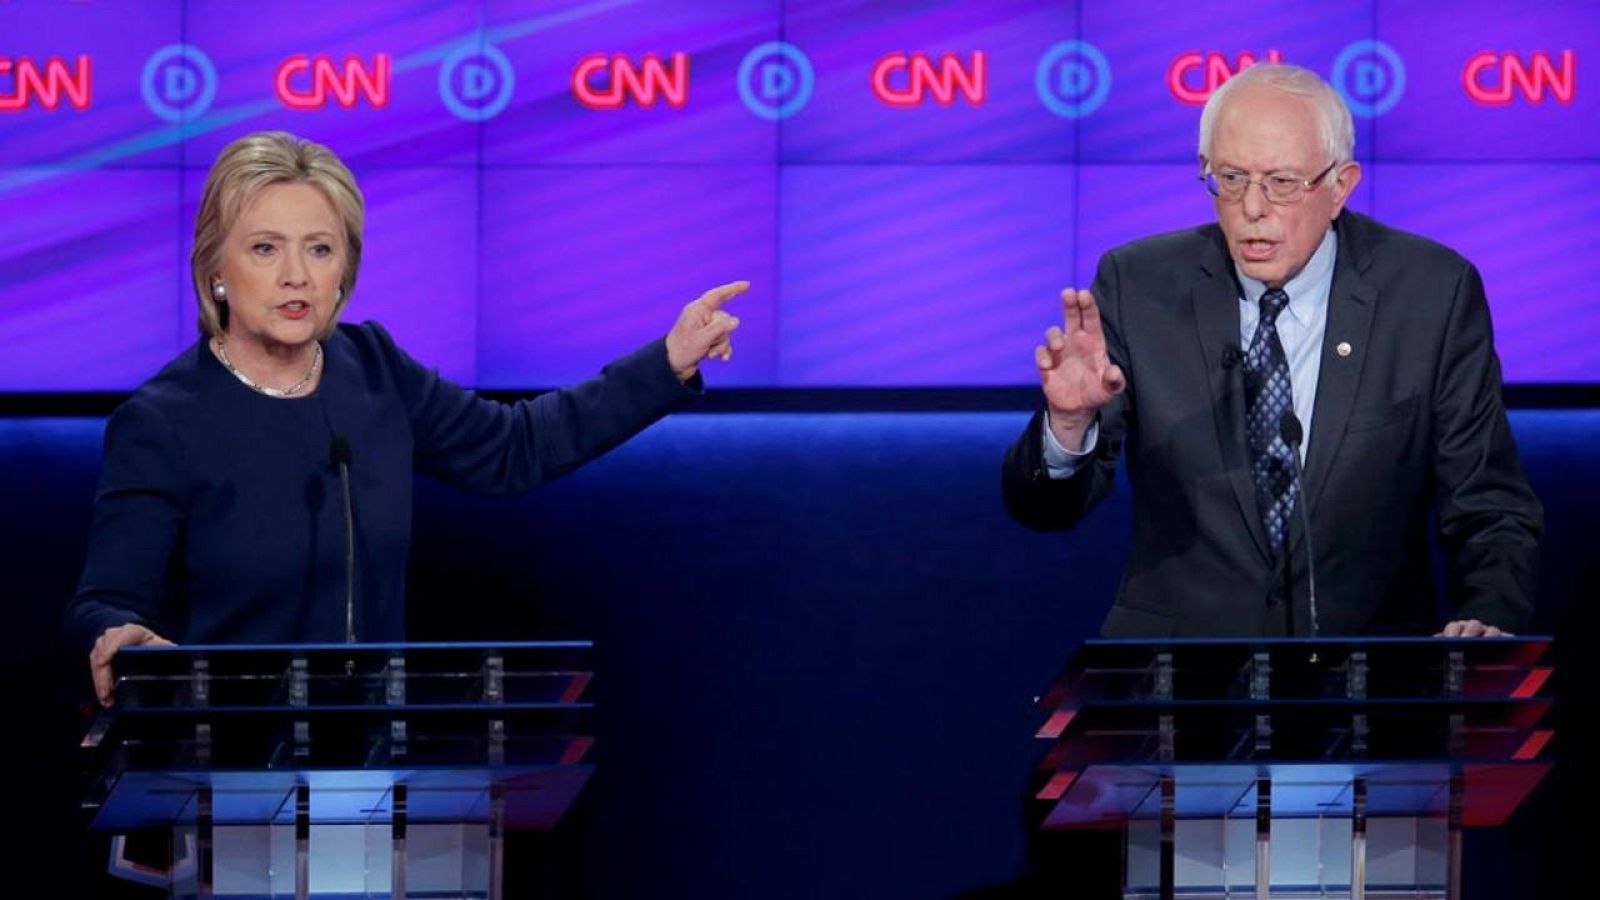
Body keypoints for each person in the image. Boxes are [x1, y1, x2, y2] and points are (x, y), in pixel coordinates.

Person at [65, 131, 747, 705]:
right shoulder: (165, 421)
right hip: (225, 780)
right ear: (218, 269)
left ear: (345, 270)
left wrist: (666, 362)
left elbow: (516, 448)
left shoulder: (374, 370)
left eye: (320, 249)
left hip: (375, 767)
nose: (296, 275)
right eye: (266, 248)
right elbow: (107, 602)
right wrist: (120, 638)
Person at [1002, 64, 1542, 639]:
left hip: (1368, 683)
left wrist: (1487, 616)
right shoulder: (1138, 286)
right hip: (1179, 689)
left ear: (1340, 186)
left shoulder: (1431, 294)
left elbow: (1488, 504)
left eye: (1282, 182)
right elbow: (1045, 510)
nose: (1252, 208)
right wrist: (1068, 423)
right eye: (1230, 178)